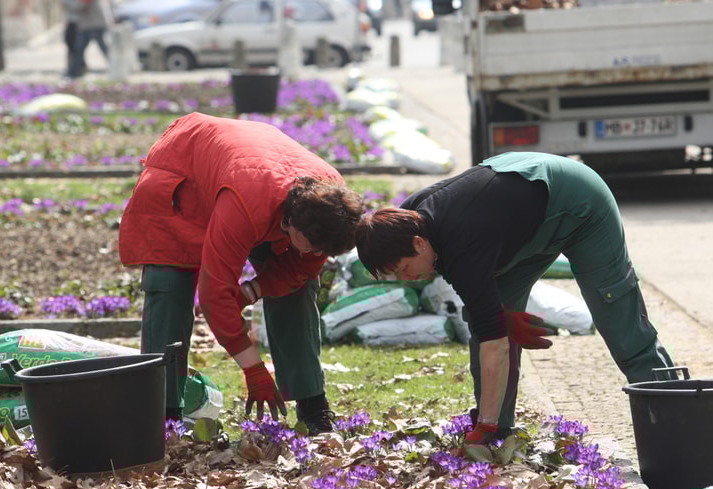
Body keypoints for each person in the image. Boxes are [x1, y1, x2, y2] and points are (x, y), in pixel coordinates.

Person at [354, 151, 677, 445]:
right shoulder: (405, 219)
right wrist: (496, 316)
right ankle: (499, 432)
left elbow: (494, 345)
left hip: (579, 202)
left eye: (404, 269)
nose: (407, 279)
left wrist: (484, 425)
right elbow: (484, 319)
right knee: (486, 325)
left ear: (418, 244)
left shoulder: (463, 243)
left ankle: (672, 415)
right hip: (525, 224)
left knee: (617, 318)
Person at [118, 112, 365, 434]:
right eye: (314, 247)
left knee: (298, 290)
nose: (317, 255)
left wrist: (250, 292)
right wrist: (253, 370)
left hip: (251, 170)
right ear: (291, 224)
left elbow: (299, 269)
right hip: (187, 169)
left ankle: (313, 406)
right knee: (169, 289)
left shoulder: (330, 202)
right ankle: (162, 417)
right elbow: (214, 294)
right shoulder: (245, 207)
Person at [66, 0, 112, 79]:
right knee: (79, 51)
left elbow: (80, 7)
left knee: (104, 49)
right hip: (89, 25)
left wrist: (68, 4)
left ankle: (72, 73)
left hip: (94, 25)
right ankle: (72, 73)